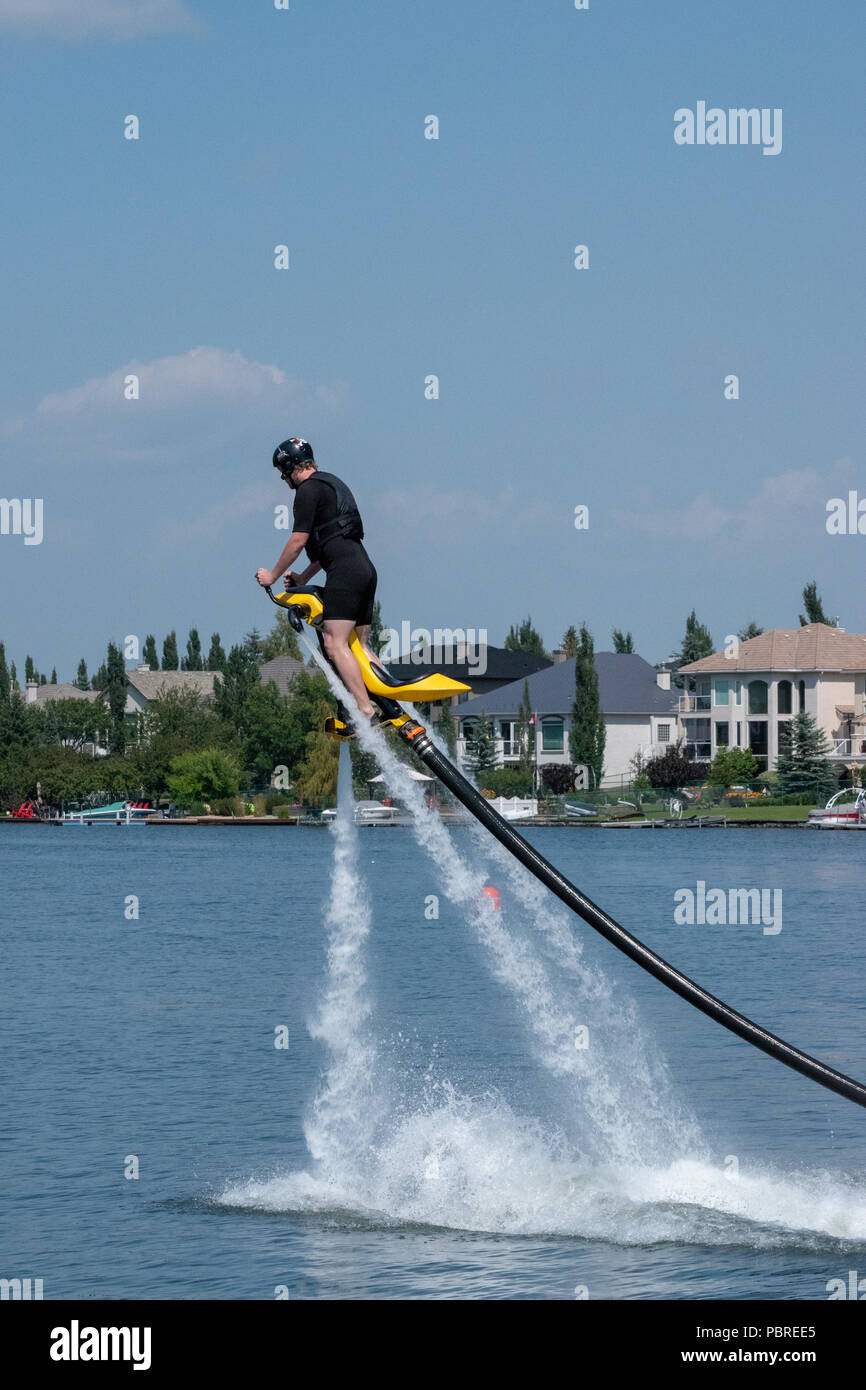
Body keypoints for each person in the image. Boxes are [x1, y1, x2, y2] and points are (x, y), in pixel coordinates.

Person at [255, 437, 380, 724]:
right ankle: (386, 702)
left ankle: (364, 711)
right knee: (358, 649)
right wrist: (302, 577)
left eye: (282, 471)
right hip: (364, 568)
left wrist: (272, 575)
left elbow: (298, 541)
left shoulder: (307, 491)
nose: (282, 478)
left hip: (346, 572)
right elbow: (330, 546)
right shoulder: (330, 482)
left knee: (334, 644)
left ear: (290, 466)